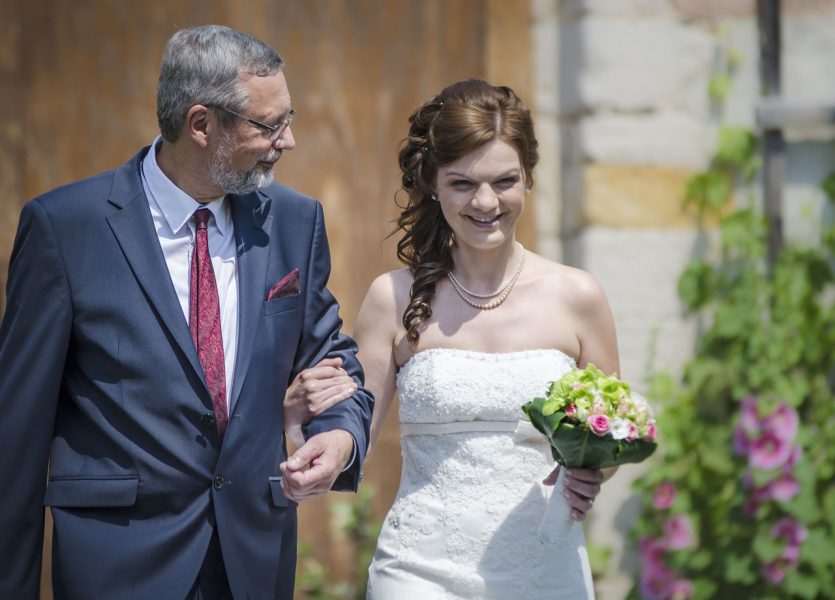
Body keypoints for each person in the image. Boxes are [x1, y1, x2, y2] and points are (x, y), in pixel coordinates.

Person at [0, 25, 372, 599]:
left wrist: (340, 438)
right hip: (118, 566)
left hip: (253, 561)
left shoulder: (296, 221)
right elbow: (16, 436)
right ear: (201, 124)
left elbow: (331, 359)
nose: (288, 141)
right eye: (269, 125)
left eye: (288, 118)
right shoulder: (64, 229)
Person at [343, 79, 617, 598]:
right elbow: (350, 437)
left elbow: (610, 432)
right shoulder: (391, 298)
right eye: (463, 183)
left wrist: (591, 474)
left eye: (505, 180)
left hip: (545, 564)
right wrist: (304, 422)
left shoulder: (578, 296)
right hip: (418, 570)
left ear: (529, 179)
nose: (486, 201)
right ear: (433, 184)